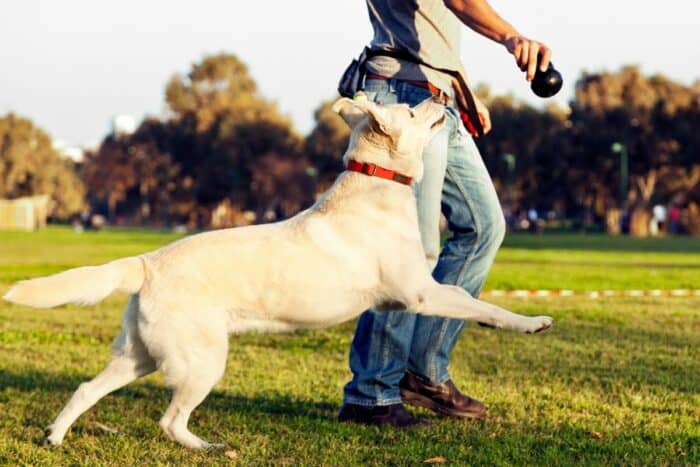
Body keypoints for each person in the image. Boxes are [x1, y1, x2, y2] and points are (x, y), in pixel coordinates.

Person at [338, 0, 554, 427]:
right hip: (402, 98)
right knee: (410, 255)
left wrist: (460, 87)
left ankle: (422, 373)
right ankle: (372, 393)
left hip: (436, 100)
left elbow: (432, 26)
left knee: (483, 227)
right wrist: (512, 37)